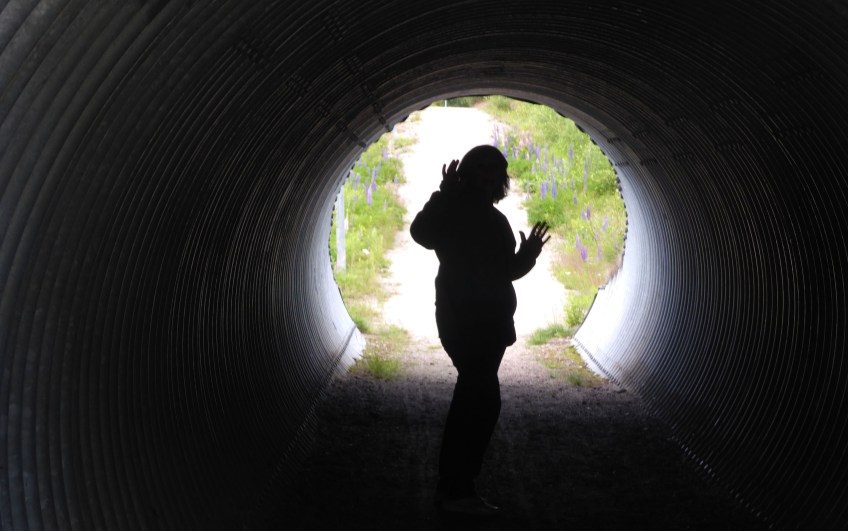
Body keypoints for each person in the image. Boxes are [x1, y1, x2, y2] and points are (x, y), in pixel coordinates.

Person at [410, 144, 550, 516]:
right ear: (467, 175)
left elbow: (506, 271)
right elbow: (421, 233)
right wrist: (443, 194)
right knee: (480, 402)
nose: (488, 177)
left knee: (475, 401)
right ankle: (457, 489)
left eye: (494, 171)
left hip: (490, 325)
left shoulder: (496, 220)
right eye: (481, 169)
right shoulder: (453, 210)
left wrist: (529, 255)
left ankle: (455, 488)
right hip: (464, 322)